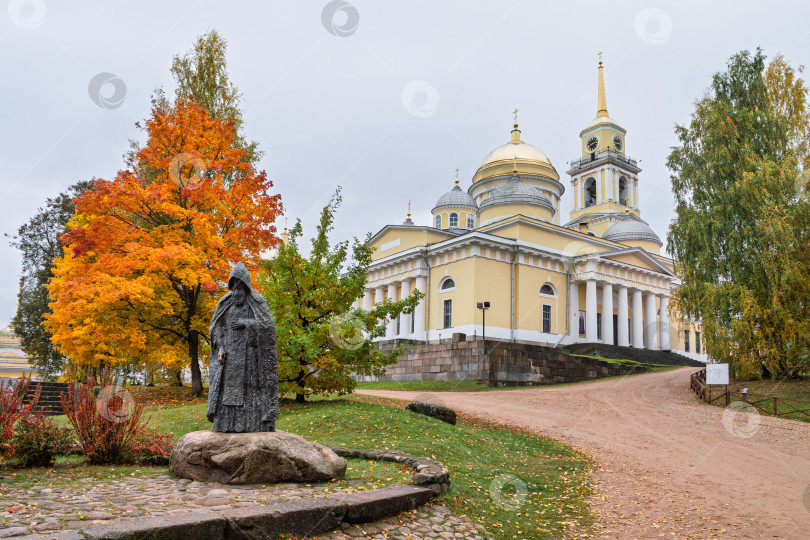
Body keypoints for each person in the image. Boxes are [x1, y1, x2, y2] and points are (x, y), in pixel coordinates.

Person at [206, 262, 278, 432]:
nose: (237, 293)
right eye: (234, 288)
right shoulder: (225, 303)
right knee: (228, 394)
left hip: (250, 360)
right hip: (230, 358)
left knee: (250, 394)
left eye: (240, 288)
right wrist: (221, 347)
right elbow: (217, 327)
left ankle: (253, 424)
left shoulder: (257, 302)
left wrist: (247, 323)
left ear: (246, 287)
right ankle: (225, 425)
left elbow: (267, 327)